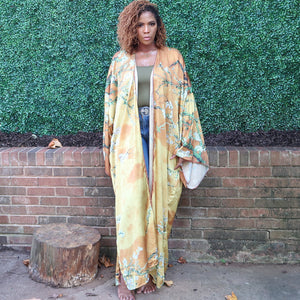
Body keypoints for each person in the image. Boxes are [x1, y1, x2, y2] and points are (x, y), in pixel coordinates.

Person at [103, 1, 209, 299]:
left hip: (163, 142)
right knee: (130, 206)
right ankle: (126, 277)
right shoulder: (120, 61)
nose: (146, 30)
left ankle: (149, 270)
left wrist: (186, 146)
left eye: (151, 24)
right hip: (128, 144)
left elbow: (186, 102)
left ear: (158, 26)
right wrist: (107, 149)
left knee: (159, 205)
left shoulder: (172, 58)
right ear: (131, 28)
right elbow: (110, 108)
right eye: (140, 25)